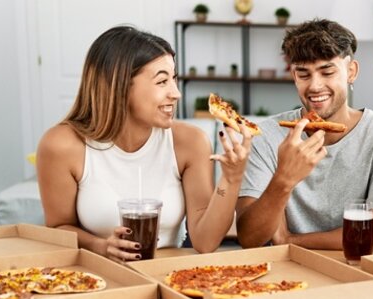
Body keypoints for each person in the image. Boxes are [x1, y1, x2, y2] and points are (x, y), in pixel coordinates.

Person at [37, 26, 252, 260]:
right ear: (118, 85)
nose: (176, 93)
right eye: (162, 82)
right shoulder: (62, 145)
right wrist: (101, 246)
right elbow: (58, 228)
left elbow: (205, 241)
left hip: (170, 277)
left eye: (174, 79)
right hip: (97, 276)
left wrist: (231, 179)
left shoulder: (190, 142)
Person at [236, 19, 373, 250]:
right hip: (285, 270)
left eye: (327, 72)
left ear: (351, 71)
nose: (315, 86)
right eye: (303, 74)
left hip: (355, 268)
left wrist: (289, 240)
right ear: (294, 76)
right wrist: (283, 180)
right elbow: (249, 238)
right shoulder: (267, 134)